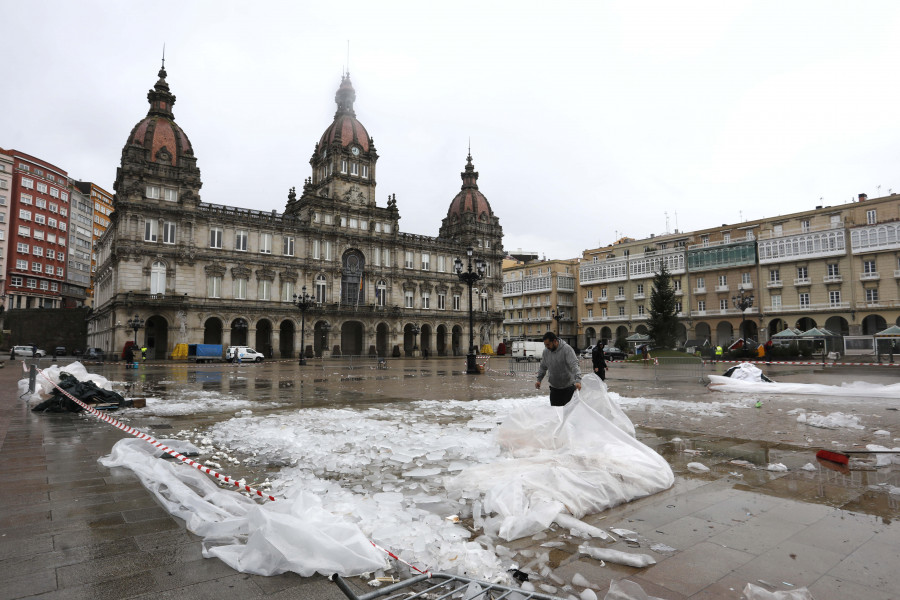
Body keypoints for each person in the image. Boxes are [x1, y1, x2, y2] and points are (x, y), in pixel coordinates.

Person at [535, 332, 582, 406]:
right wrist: (539, 380)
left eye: (548, 344)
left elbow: (574, 365)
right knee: (556, 415)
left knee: (568, 415)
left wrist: (578, 380)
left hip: (568, 389)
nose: (547, 347)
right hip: (554, 389)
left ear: (554, 341)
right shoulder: (546, 352)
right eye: (545, 345)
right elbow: (543, 367)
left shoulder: (567, 349)